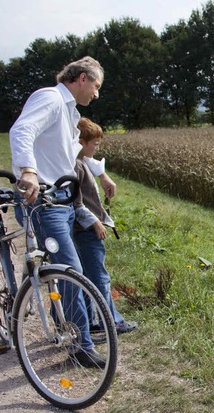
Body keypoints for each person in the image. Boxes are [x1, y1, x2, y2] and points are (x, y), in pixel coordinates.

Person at [10, 56, 106, 368]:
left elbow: (69, 156)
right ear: (81, 78)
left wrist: (101, 175)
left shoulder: (69, 112)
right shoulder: (50, 99)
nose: (96, 93)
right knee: (71, 271)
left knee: (68, 269)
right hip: (46, 201)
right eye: (96, 85)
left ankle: (68, 327)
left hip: (64, 199)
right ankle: (82, 347)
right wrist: (28, 171)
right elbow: (21, 130)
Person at [73, 117, 137, 334]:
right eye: (95, 144)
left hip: (83, 230)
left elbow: (92, 163)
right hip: (86, 231)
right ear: (81, 143)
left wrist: (104, 177)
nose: (98, 148)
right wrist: (95, 222)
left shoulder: (80, 161)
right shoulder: (77, 167)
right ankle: (111, 321)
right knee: (99, 277)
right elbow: (76, 203)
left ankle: (91, 320)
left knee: (87, 275)